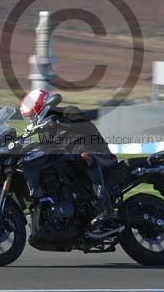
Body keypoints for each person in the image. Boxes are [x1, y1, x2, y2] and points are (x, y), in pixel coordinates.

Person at [20, 89, 120, 237]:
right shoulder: (44, 132)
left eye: (32, 116)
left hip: (100, 156)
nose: (31, 121)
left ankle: (106, 210)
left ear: (42, 108)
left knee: (84, 156)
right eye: (29, 118)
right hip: (74, 164)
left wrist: (59, 122)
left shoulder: (69, 111)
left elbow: (84, 127)